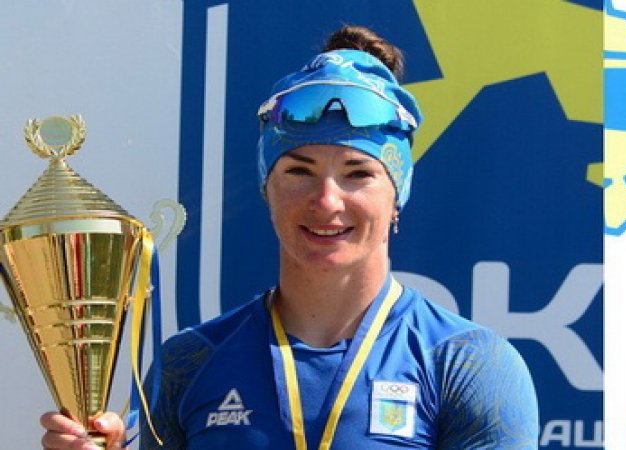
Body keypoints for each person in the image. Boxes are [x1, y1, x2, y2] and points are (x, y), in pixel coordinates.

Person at [40, 25, 539, 449]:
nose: (327, 200)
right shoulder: (188, 363)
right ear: (267, 189)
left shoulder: (468, 364)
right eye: (299, 171)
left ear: (396, 197)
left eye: (358, 173)